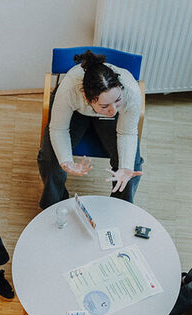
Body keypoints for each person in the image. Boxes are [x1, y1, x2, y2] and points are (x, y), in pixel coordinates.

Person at [37, 50, 144, 209]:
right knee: (50, 159)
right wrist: (66, 161)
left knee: (131, 167)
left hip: (108, 118)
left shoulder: (131, 92)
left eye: (117, 100)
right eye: (105, 105)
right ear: (87, 99)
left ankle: (120, 209)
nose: (113, 110)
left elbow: (127, 133)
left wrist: (126, 166)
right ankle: (54, 207)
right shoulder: (69, 90)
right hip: (76, 112)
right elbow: (58, 129)